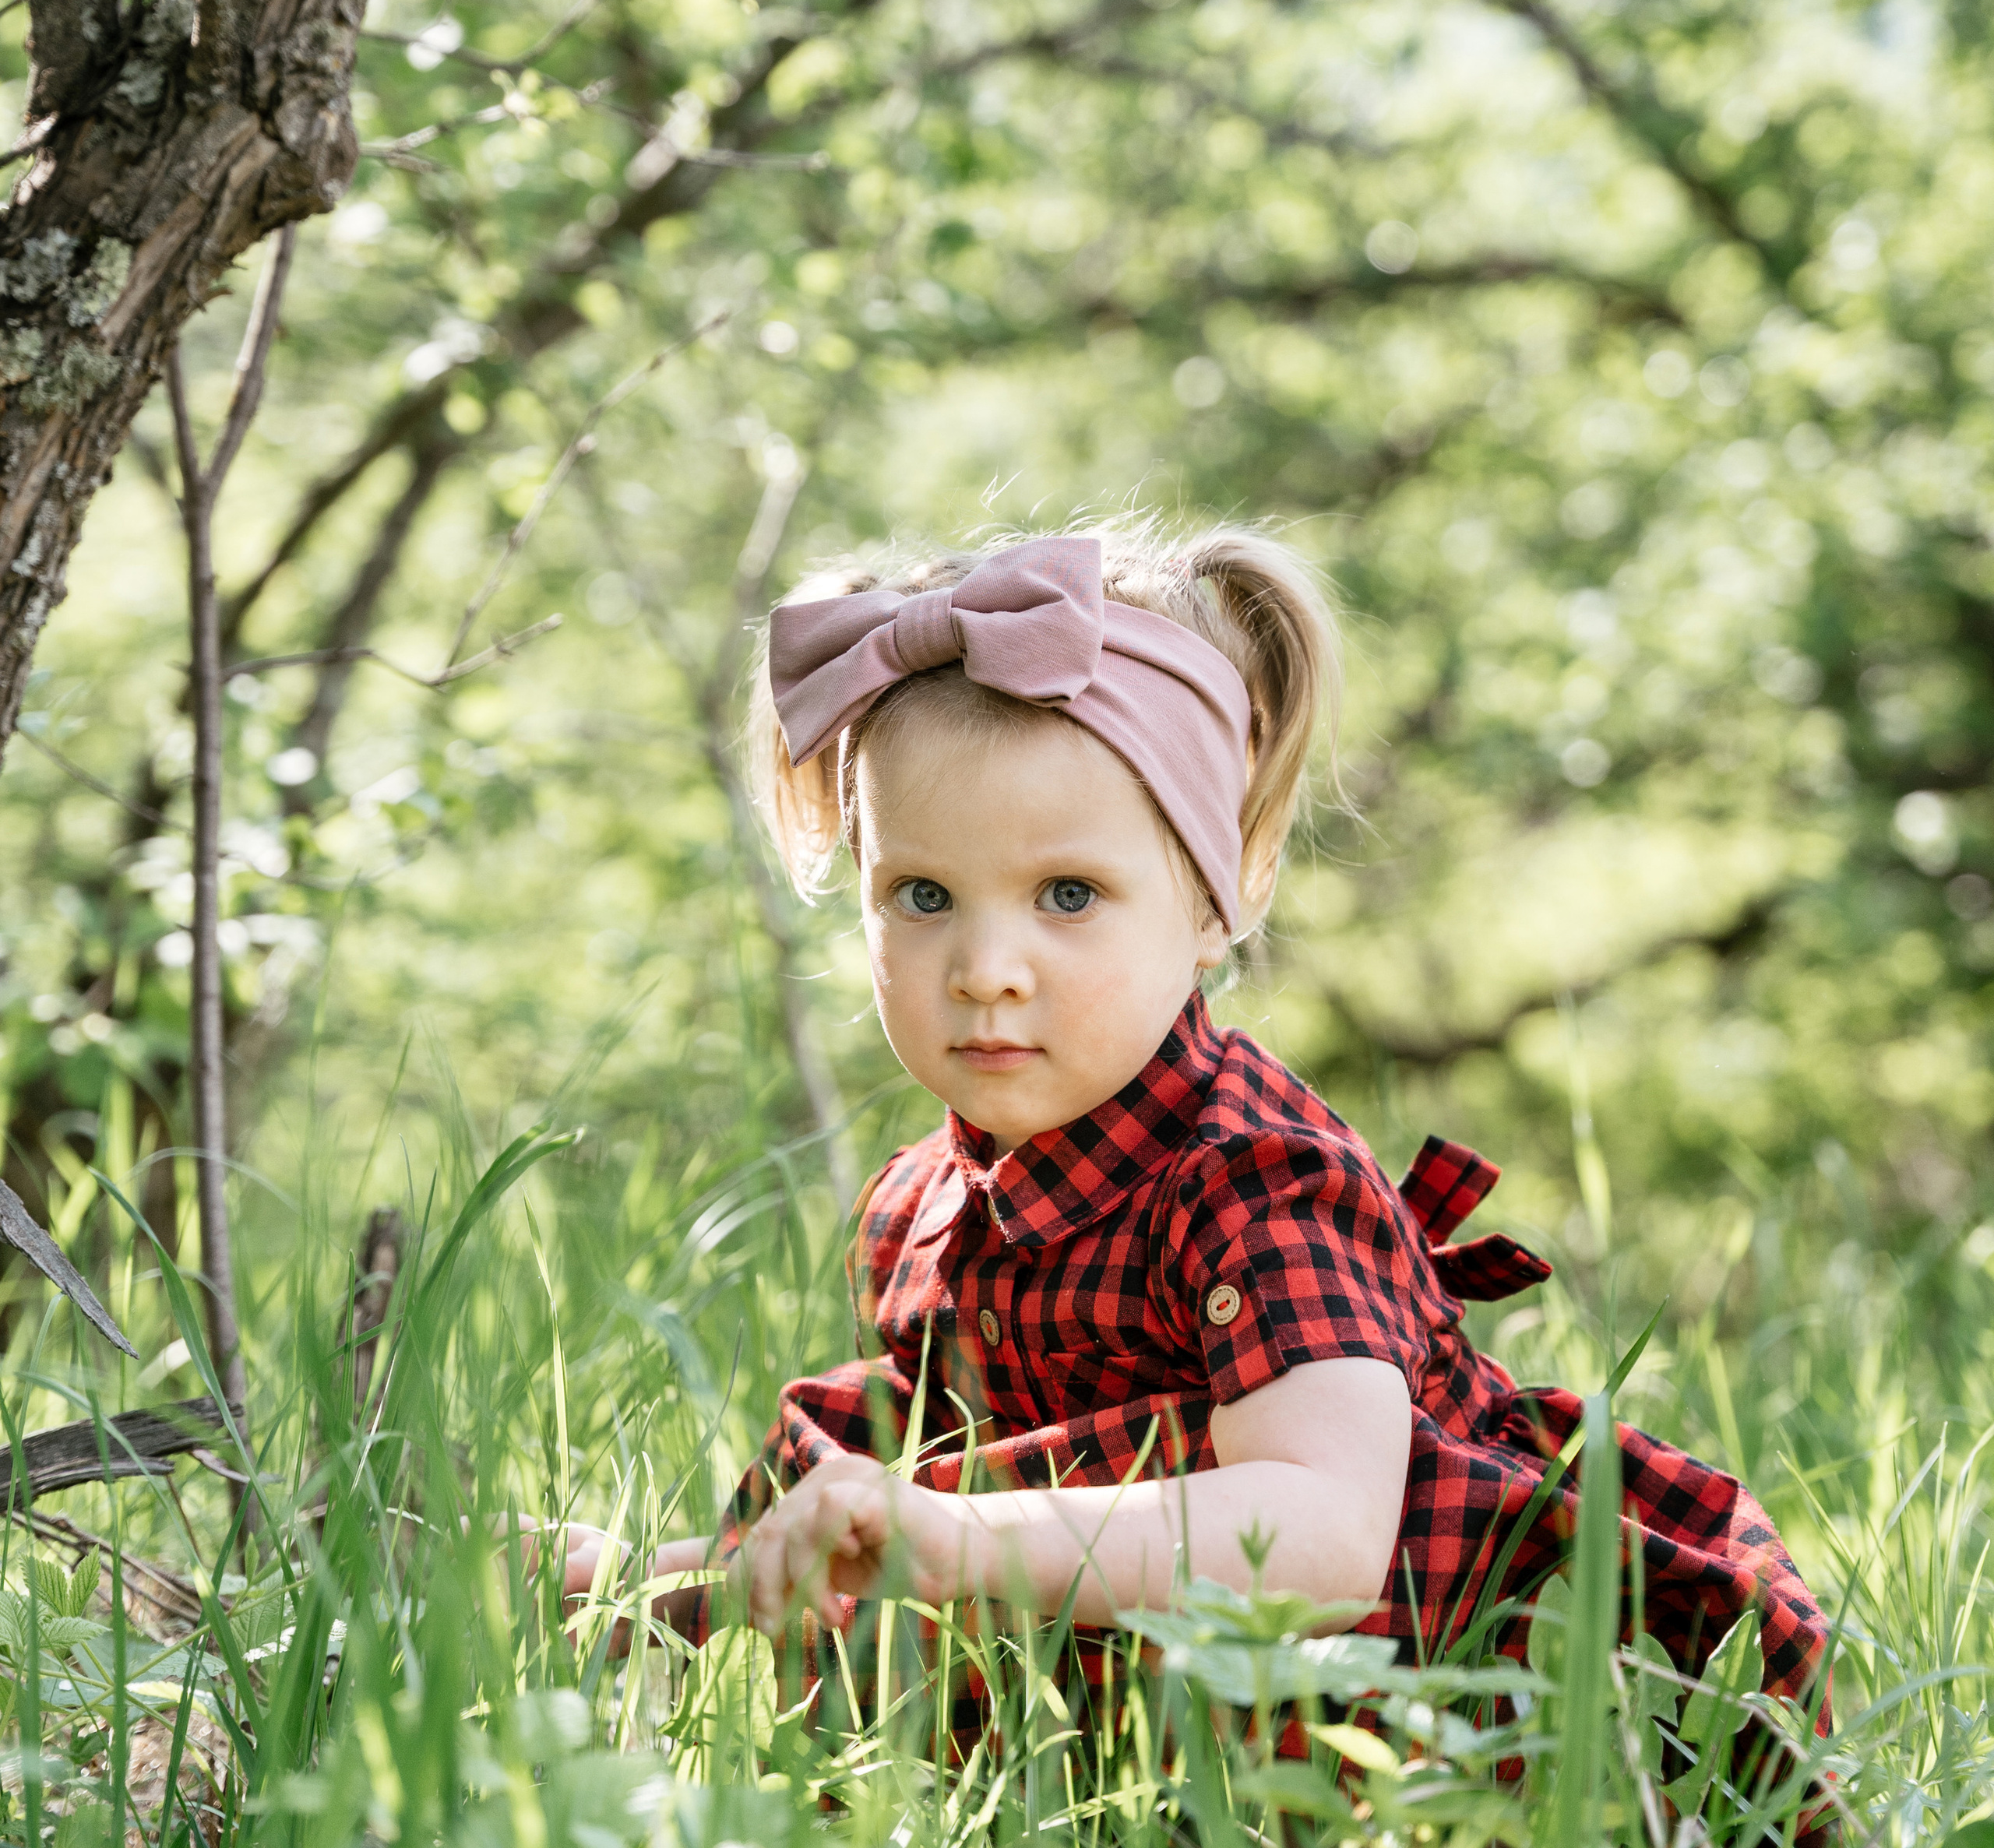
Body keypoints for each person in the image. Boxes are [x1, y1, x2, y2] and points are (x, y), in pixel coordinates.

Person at [558, 522, 1830, 1745]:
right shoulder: (924, 1206)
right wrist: (647, 1590)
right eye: (922, 895)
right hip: (1134, 1756)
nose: (986, 967)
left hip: (1437, 1719)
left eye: (1070, 895)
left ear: (1221, 889)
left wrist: (953, 1541)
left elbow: (1326, 1538)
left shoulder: (1256, 1182)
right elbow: (912, 1516)